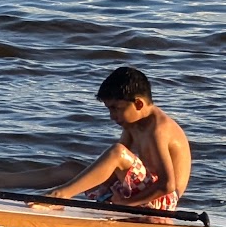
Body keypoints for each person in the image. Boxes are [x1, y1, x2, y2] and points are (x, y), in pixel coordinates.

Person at [47, 65, 190, 212]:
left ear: (139, 104)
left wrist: (127, 204)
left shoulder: (158, 129)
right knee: (70, 169)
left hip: (163, 201)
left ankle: (60, 195)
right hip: (139, 192)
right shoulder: (133, 124)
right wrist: (103, 188)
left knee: (117, 152)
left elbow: (167, 185)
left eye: (116, 108)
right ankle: (23, 183)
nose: (112, 116)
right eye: (109, 109)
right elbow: (113, 167)